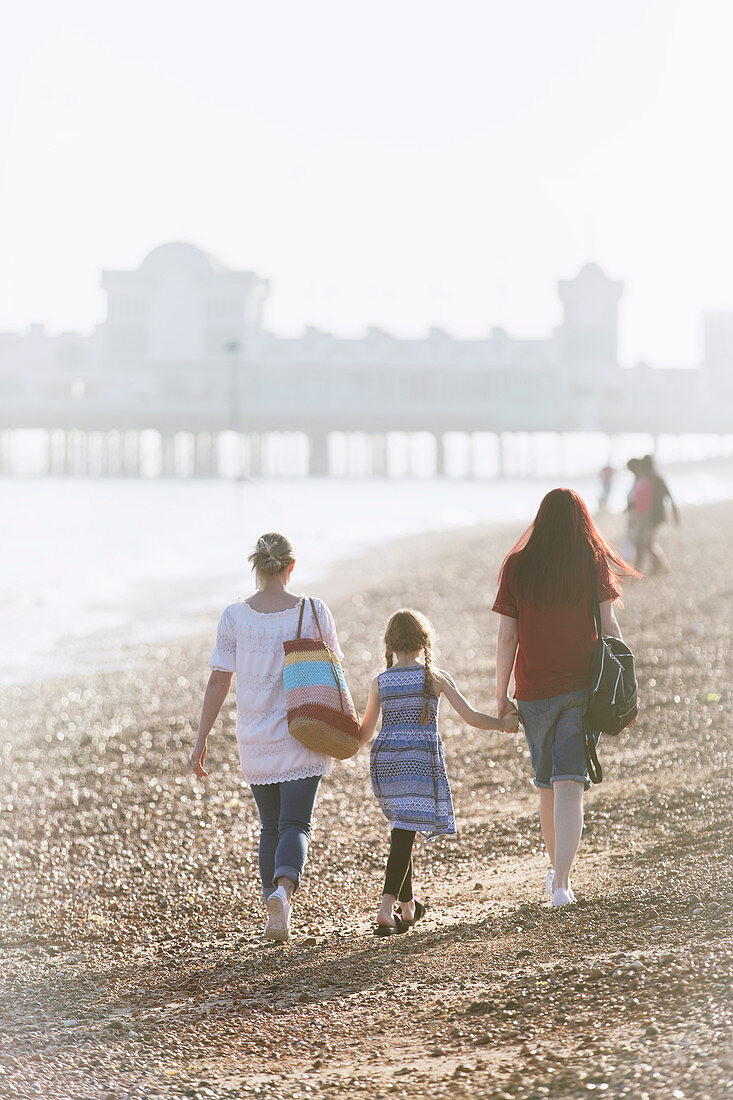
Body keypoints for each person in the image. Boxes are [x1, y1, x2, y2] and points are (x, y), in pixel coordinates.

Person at [190, 532, 344, 943]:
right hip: (304, 730)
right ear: (290, 567)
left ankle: (272, 904)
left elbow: (219, 680)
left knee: (270, 826)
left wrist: (202, 736)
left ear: (255, 567)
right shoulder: (313, 610)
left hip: (255, 738)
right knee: (296, 823)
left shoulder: (234, 616)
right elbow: (333, 670)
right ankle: (283, 892)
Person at [493, 489, 638, 906]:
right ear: (581, 522)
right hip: (581, 688)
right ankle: (561, 882)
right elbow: (610, 628)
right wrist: (626, 686)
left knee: (547, 786)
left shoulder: (517, 566)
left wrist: (501, 696)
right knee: (569, 783)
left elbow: (507, 637)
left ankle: (557, 873)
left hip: (533, 691)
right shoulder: (589, 562)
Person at [358, 608, 520, 936]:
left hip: (386, 764)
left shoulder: (381, 681)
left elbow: (363, 733)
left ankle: (408, 907)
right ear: (424, 642)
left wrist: (332, 741)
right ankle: (385, 910)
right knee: (404, 832)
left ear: (390, 644)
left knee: (404, 828)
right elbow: (472, 717)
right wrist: (503, 724)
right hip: (418, 765)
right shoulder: (434, 677)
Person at [637, 454, 680, 574]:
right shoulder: (647, 478)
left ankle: (664, 568)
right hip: (646, 516)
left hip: (655, 517)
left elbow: (669, 496)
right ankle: (657, 567)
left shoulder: (657, 479)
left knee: (649, 543)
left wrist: (676, 514)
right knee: (647, 543)